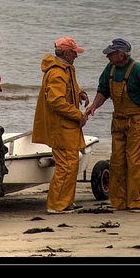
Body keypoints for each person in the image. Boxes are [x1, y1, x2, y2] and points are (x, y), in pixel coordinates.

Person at [83, 38, 140, 214]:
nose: (107, 57)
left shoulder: (139, 71)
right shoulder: (110, 68)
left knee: (135, 161)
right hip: (118, 119)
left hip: (138, 119)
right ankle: (119, 201)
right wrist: (94, 106)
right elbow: (103, 90)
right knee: (117, 161)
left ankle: (139, 202)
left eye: (110, 54)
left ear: (121, 55)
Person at [32, 37, 90, 214]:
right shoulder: (58, 72)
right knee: (66, 165)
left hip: (66, 127)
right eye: (74, 53)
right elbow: (56, 101)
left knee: (70, 164)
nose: (76, 57)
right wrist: (78, 114)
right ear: (66, 53)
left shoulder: (65, 69)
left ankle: (65, 203)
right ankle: (57, 205)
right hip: (61, 128)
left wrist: (79, 93)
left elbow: (67, 89)